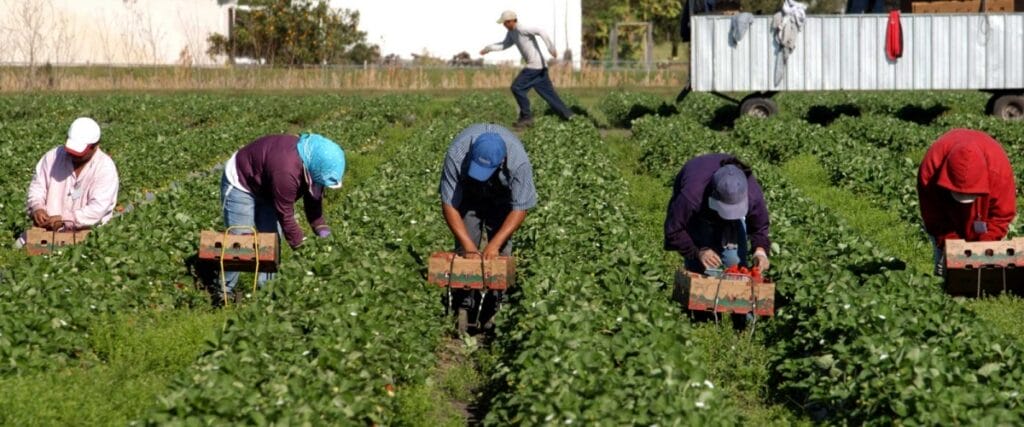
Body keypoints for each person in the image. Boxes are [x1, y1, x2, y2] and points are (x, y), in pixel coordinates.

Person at [216, 133, 345, 303]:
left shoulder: (312, 164)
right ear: (313, 169)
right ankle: (224, 293)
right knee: (241, 241)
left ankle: (266, 292)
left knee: (271, 241)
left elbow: (313, 205)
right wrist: (303, 248)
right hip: (242, 181)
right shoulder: (287, 170)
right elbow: (285, 215)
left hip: (268, 186)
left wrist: (322, 229)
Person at [439, 123, 537, 331]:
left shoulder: (518, 162)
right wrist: (468, 246)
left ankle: (494, 305)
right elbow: (449, 204)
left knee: (499, 254)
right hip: (468, 195)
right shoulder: (457, 154)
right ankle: (464, 303)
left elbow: (520, 207)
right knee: (467, 251)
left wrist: (494, 244)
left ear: (502, 161)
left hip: (502, 198)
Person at [917, 128, 1016, 276]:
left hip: (983, 219)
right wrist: (950, 247)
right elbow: (934, 219)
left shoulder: (998, 171)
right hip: (947, 216)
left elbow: (1001, 216)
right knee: (944, 268)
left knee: (989, 267)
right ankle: (944, 288)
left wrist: (984, 248)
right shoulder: (930, 170)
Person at [664, 153, 771, 274]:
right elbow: (674, 230)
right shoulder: (691, 195)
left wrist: (760, 251)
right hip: (699, 215)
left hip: (731, 224)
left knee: (735, 264)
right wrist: (698, 251)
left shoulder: (753, 194)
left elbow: (760, 227)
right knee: (702, 268)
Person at [480, 10, 574, 128]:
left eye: (505, 23)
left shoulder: (522, 29)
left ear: (511, 21)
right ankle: (569, 116)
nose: (504, 26)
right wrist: (488, 48)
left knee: (517, 87)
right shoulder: (511, 33)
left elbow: (541, 31)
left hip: (534, 66)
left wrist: (551, 48)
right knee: (549, 95)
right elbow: (504, 45)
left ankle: (526, 117)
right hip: (541, 67)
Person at [25, 117, 119, 234]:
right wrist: (37, 207)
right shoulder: (52, 157)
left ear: (94, 146)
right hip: (46, 230)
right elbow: (37, 187)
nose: (73, 155)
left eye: (79, 153)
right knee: (19, 246)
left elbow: (97, 208)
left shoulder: (105, 168)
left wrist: (65, 220)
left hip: (88, 234)